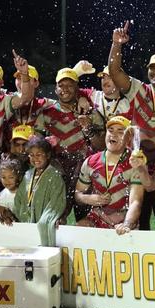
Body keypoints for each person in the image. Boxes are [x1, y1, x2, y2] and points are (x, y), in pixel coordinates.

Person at [108, 20, 155, 230]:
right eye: (152, 68)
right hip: (136, 165)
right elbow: (114, 72)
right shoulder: (139, 89)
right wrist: (117, 44)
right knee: (138, 220)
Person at [36, 67, 95, 224]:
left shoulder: (87, 109)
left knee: (83, 215)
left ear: (77, 88)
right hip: (57, 168)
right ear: (55, 89)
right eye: (61, 85)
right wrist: (44, 144)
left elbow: (98, 141)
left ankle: (82, 247)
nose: (65, 89)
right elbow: (36, 142)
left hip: (82, 169)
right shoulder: (46, 112)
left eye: (70, 85)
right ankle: (55, 247)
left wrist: (88, 127)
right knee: (56, 216)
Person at [75, 116, 143, 235]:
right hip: (98, 218)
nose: (113, 134)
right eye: (110, 130)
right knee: (80, 227)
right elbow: (77, 194)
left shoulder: (135, 163)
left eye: (120, 131)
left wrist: (127, 224)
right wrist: (87, 198)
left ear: (129, 138)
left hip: (124, 220)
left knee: (125, 234)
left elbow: (136, 202)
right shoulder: (91, 162)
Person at [13, 137, 66, 246]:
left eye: (39, 154)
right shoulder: (28, 174)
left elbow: (56, 203)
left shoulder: (55, 176)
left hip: (43, 224)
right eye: (31, 155)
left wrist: (46, 220)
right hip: (27, 227)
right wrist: (24, 216)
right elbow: (19, 199)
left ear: (48, 155)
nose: (35, 158)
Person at [0, 158, 22, 225]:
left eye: (11, 177)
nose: (7, 181)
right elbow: (0, 212)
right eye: (4, 177)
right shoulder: (0, 196)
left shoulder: (23, 193)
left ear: (18, 177)